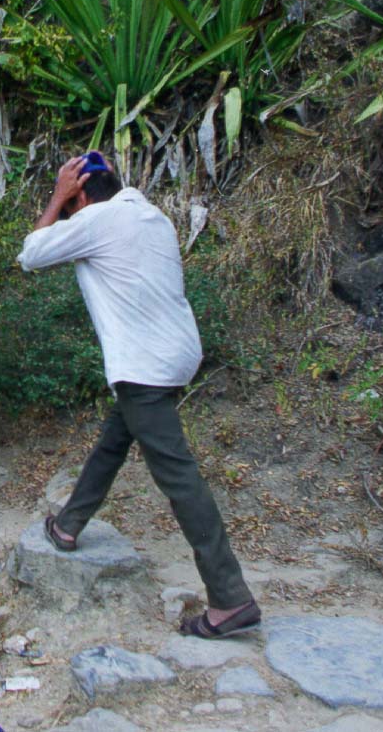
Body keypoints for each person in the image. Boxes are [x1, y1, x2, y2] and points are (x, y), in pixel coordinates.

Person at [15, 152, 259, 639]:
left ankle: (230, 599)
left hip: (144, 364)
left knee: (179, 475)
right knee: (116, 437)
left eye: (71, 205)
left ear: (82, 194)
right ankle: (68, 524)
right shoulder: (152, 217)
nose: (69, 216)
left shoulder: (99, 218)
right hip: (174, 356)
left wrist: (57, 198)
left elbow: (31, 254)